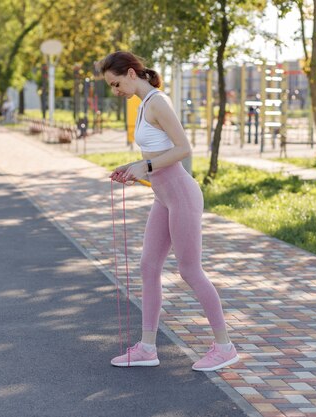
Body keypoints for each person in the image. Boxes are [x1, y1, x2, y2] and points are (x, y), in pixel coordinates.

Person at [101, 51, 239, 372]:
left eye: (116, 83)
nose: (115, 90)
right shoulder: (143, 104)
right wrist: (134, 170)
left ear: (132, 73)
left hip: (182, 197)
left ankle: (225, 347)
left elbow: (183, 149)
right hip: (164, 197)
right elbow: (155, 157)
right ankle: (148, 347)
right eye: (111, 85)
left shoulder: (158, 102)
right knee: (149, 266)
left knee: (190, 271)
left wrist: (144, 165)